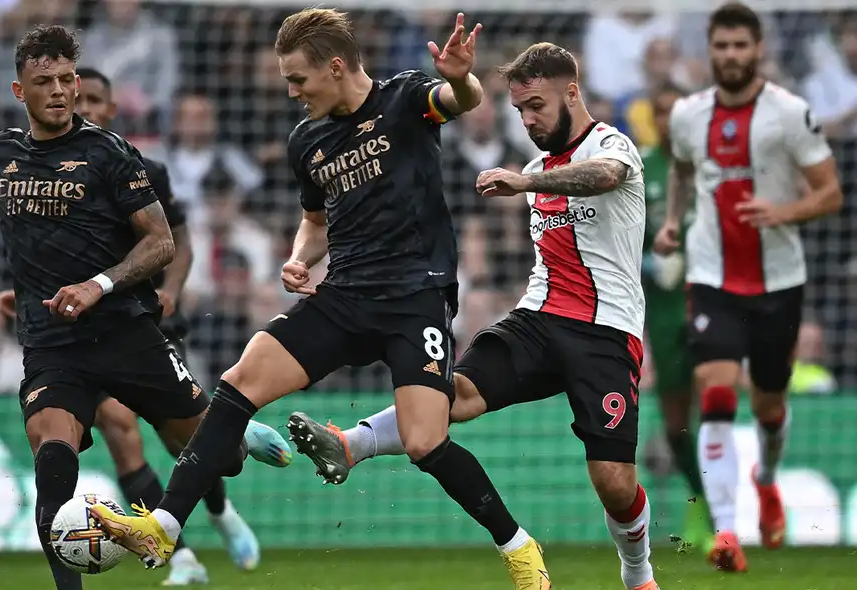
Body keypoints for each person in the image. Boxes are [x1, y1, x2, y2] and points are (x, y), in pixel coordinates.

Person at [90, 8, 551, 590]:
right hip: (346, 294)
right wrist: (299, 256)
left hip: (416, 296)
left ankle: (518, 546)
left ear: (335, 67)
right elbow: (315, 220)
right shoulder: (306, 140)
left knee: (425, 441)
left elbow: (463, 99)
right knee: (239, 382)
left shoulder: (405, 99)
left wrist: (461, 77)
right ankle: (163, 524)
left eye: (298, 79)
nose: (291, 91)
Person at [0, 25, 288, 590]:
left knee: (216, 456)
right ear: (18, 90)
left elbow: (162, 242)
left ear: (76, 84)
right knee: (52, 460)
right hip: (53, 344)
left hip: (125, 333)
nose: (57, 90)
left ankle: (233, 430)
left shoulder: (110, 153)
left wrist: (97, 285)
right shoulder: (2, 152)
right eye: (43, 81)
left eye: (65, 79)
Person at [287, 42, 662, 590]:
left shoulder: (610, 145)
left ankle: (638, 573)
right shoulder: (535, 166)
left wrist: (525, 182)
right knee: (450, 394)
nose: (528, 120)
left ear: (571, 92)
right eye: (520, 111)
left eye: (536, 105)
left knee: (614, 481)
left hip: (604, 331)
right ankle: (351, 445)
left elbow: (603, 176)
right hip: (537, 319)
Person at [0, 65, 292, 586]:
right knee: (116, 435)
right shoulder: (36, 166)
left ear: (106, 107)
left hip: (135, 323)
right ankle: (183, 559)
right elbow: (50, 254)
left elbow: (175, 239)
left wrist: (171, 291)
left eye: (94, 100)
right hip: (68, 341)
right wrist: (24, 299)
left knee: (194, 445)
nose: (82, 107)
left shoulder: (137, 166)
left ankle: (224, 492)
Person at [655, 3, 842, 572]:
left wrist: (784, 211)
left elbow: (830, 192)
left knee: (768, 407)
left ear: (758, 50)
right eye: (722, 46)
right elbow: (684, 170)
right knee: (715, 394)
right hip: (711, 276)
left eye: (741, 46)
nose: (731, 56)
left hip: (778, 282)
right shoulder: (688, 114)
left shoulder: (789, 113)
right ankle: (727, 531)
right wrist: (673, 222)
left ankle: (764, 479)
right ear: (710, 50)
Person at [639, 83, 712, 551]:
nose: (667, 120)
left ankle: (716, 514)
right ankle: (702, 500)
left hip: (710, 303)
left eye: (675, 111)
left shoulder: (710, 169)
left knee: (714, 408)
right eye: (660, 111)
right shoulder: (640, 166)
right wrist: (649, 262)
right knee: (675, 422)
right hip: (663, 311)